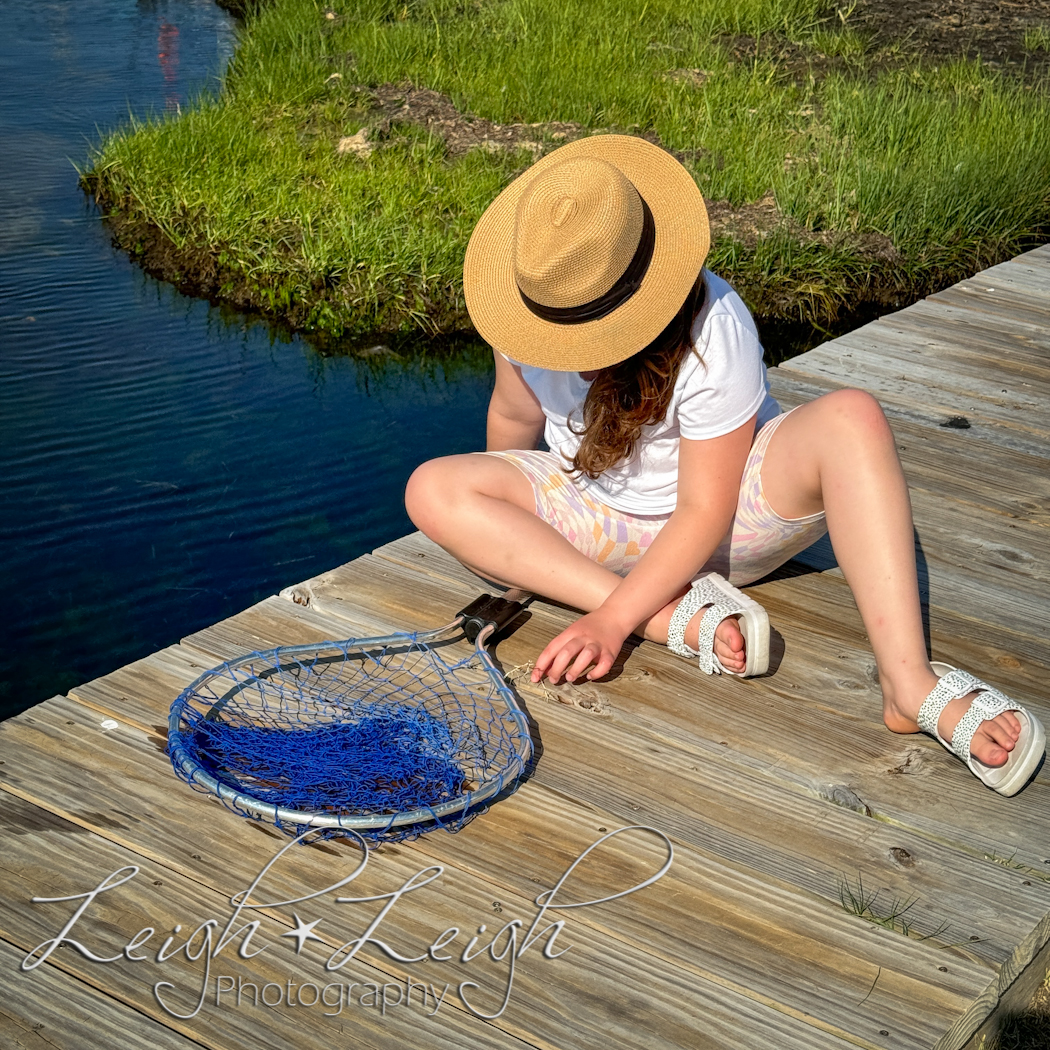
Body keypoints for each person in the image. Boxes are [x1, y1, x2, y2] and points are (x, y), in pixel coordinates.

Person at [405, 134, 1044, 796]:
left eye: (591, 335)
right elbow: (512, 424)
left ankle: (908, 684)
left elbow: (704, 510)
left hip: (725, 526)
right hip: (598, 526)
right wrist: (509, 527)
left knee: (852, 418)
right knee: (433, 489)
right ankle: (668, 618)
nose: (573, 354)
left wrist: (610, 624)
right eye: (562, 334)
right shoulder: (530, 319)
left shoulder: (715, 325)